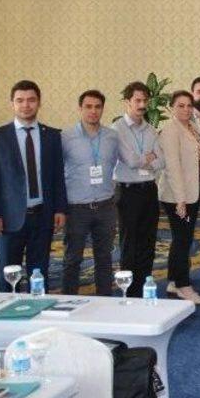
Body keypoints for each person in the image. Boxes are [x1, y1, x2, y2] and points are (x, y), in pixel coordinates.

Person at [59, 89, 116, 295]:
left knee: (105, 258)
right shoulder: (65, 137)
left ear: (103, 109)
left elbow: (122, 164)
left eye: (98, 107)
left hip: (105, 206)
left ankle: (105, 300)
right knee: (73, 258)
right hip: (77, 208)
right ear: (80, 108)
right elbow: (56, 172)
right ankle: (69, 300)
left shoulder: (112, 137)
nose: (93, 111)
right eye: (88, 106)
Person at [157, 90, 200, 304]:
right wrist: (180, 200)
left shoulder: (191, 127)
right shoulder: (170, 131)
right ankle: (183, 286)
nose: (186, 109)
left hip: (191, 192)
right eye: (181, 105)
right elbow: (172, 168)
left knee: (182, 238)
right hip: (177, 197)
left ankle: (173, 281)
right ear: (172, 108)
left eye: (189, 105)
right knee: (183, 239)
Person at [112, 81, 165, 297]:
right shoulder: (117, 129)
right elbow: (130, 160)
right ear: (127, 102)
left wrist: (146, 159)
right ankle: (130, 291)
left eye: (145, 100)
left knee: (148, 241)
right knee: (129, 243)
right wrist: (148, 158)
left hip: (149, 190)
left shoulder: (151, 129)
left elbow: (161, 161)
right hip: (128, 192)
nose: (142, 105)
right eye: (137, 100)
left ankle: (144, 286)